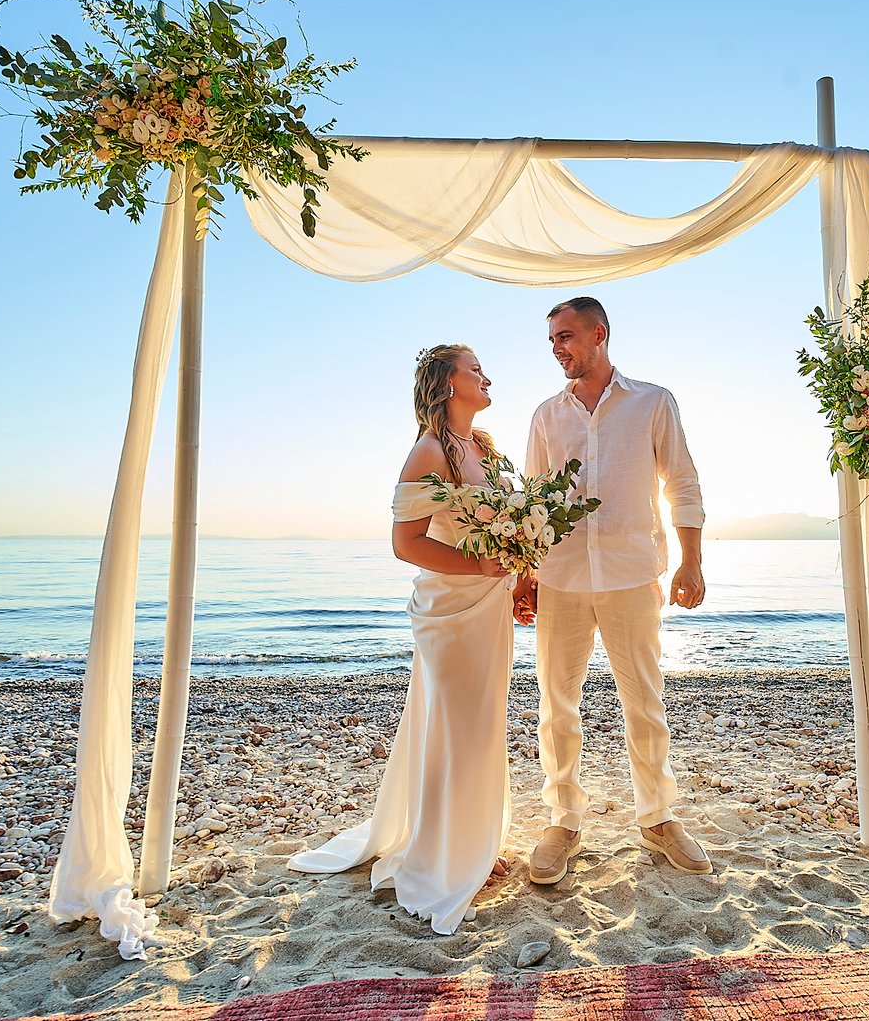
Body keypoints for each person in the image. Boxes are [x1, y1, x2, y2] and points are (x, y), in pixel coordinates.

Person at [287, 344, 519, 933]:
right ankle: (442, 858)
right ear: (446, 384)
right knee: (454, 727)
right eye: (475, 369)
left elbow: (501, 531)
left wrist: (521, 571)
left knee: (482, 724)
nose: (486, 375)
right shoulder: (429, 452)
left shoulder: (484, 450)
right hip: (450, 610)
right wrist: (486, 569)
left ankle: (474, 841)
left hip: (488, 607)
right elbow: (407, 543)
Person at [516, 296, 711, 886]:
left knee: (645, 704)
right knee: (557, 707)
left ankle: (657, 817)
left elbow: (681, 479)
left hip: (632, 574)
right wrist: (523, 577)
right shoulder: (546, 416)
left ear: (599, 334)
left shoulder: (653, 402)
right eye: (552, 339)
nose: (558, 348)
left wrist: (691, 561)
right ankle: (563, 820)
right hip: (561, 578)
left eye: (567, 336)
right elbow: (530, 501)